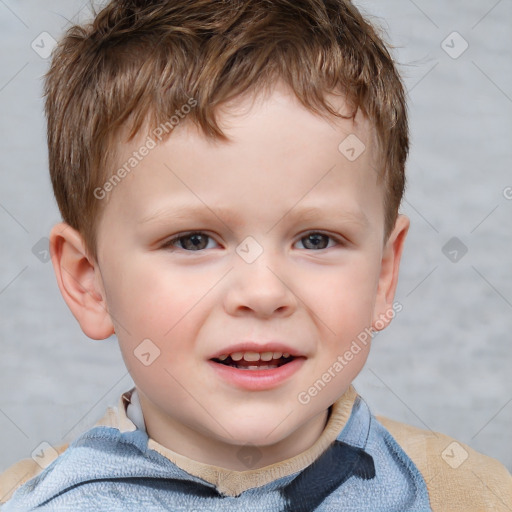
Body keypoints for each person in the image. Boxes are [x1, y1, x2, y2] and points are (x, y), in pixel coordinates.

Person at [1, 0, 511, 510]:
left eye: (316, 240)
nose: (263, 292)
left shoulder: (472, 494)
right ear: (89, 281)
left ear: (382, 274)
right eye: (193, 240)